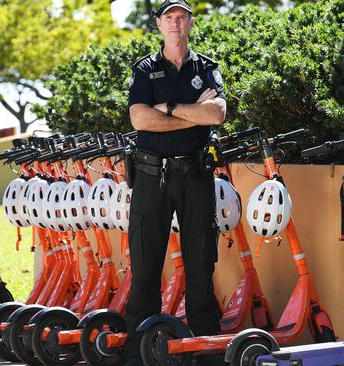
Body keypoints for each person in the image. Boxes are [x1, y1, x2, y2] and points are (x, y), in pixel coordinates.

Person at [124, 0, 227, 364]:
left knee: (201, 262)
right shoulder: (145, 69)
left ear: (190, 24)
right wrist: (193, 115)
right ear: (159, 25)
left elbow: (216, 113)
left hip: (196, 175)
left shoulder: (207, 67)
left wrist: (167, 108)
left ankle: (207, 350)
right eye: (169, 17)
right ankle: (139, 352)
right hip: (153, 176)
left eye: (181, 17)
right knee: (146, 262)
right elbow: (140, 119)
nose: (175, 23)